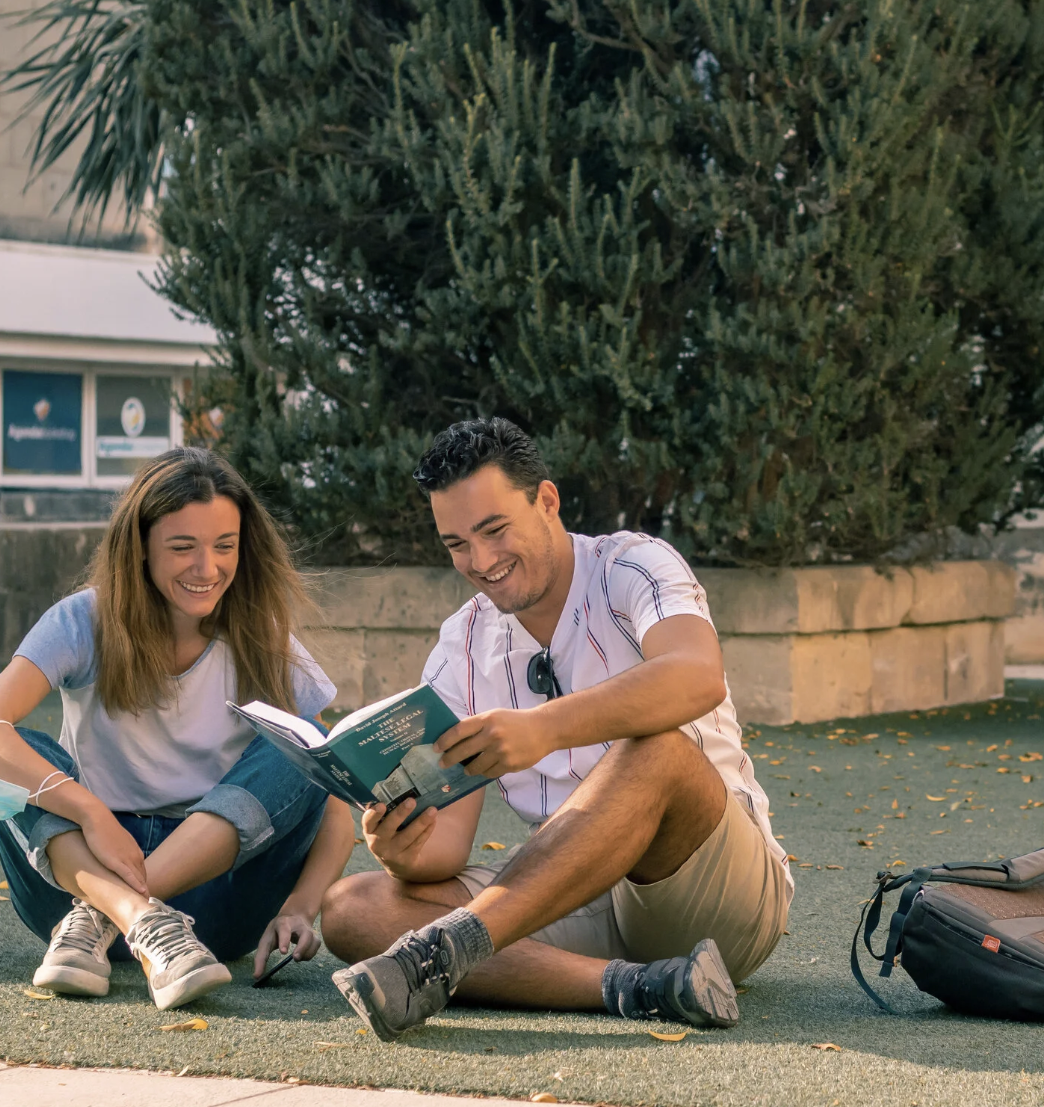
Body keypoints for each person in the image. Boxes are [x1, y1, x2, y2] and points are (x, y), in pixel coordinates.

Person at [320, 418, 791, 1040]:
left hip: (708, 890)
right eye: (456, 544)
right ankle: (636, 988)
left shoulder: (633, 565)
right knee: (352, 909)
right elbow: (447, 849)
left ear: (546, 501)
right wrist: (401, 849)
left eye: (494, 530)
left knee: (657, 749)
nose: (481, 561)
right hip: (572, 895)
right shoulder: (460, 645)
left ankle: (447, 950)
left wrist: (546, 727)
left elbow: (697, 676)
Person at [0, 448, 357, 1010]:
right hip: (78, 869)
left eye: (224, 546)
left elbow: (328, 790)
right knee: (9, 753)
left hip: (213, 899)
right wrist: (92, 814)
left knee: (304, 744)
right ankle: (134, 917)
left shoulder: (262, 637)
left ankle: (114, 912)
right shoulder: (83, 621)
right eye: (182, 547)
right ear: (140, 547)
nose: (207, 568)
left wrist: (299, 907)